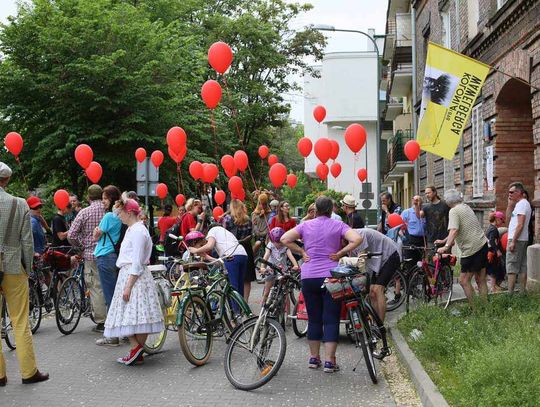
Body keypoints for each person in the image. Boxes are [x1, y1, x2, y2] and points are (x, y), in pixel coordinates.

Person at [281, 196, 361, 373]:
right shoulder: (338, 225)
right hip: (331, 277)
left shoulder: (305, 225)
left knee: (314, 317)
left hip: (308, 276)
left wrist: (302, 251)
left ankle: (313, 358)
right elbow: (357, 239)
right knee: (331, 318)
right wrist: (340, 253)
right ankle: (329, 361)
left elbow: (285, 238)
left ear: (315, 210)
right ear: (331, 211)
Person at [0, 162, 49, 385]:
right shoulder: (19, 204)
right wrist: (28, 268)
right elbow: (27, 242)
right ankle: (28, 372)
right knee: (20, 320)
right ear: (7, 180)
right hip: (12, 267)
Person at [104, 199, 164, 366]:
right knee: (134, 314)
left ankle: (136, 349)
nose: (118, 216)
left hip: (134, 276)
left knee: (134, 314)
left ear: (129, 212)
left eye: (120, 213)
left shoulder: (138, 231)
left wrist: (128, 285)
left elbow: (137, 261)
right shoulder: (134, 229)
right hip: (132, 274)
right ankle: (136, 349)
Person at [435, 189, 488, 305]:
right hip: (482, 244)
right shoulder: (465, 207)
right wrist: (444, 241)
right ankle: (485, 307)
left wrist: (446, 246)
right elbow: (459, 229)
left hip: (472, 249)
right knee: (481, 279)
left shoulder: (453, 211)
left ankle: (476, 309)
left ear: (448, 201)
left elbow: (454, 230)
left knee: (464, 280)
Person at [68, 184, 107, 332]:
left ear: (88, 197)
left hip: (91, 254)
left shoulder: (84, 212)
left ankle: (102, 321)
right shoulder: (108, 212)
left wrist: (81, 245)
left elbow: (71, 235)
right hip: (109, 253)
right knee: (109, 285)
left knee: (95, 287)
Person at [350, 227, 400, 328]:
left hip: (390, 256)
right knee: (371, 293)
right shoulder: (349, 241)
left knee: (378, 290)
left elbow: (361, 260)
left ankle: (380, 326)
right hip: (376, 261)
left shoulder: (360, 234)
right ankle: (374, 323)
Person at [93, 185, 123, 346]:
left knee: (109, 297)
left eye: (105, 198)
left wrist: (97, 231)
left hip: (104, 256)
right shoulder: (119, 216)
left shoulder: (109, 216)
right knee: (116, 295)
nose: (103, 201)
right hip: (113, 256)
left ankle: (112, 335)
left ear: (111, 199)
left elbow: (95, 235)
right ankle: (123, 332)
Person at [187, 224, 248, 297]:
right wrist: (206, 256)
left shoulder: (213, 230)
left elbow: (209, 246)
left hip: (231, 257)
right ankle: (241, 307)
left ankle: (235, 308)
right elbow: (219, 261)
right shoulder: (225, 234)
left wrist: (196, 250)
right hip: (242, 255)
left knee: (232, 288)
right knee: (239, 286)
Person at [222, 199, 256, 301]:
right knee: (247, 279)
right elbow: (251, 235)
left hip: (232, 249)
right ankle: (245, 302)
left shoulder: (227, 219)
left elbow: (224, 235)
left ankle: (236, 302)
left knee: (234, 278)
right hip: (246, 249)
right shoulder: (248, 220)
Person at [260, 227, 299, 304]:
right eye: (277, 242)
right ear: (272, 240)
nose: (280, 244)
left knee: (285, 294)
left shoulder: (285, 246)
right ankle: (263, 308)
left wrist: (295, 265)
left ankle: (287, 313)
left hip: (282, 271)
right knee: (266, 292)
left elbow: (290, 256)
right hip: (271, 270)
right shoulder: (270, 245)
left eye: (281, 242)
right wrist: (262, 267)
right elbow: (266, 256)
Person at [505, 182, 532, 293]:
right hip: (522, 238)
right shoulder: (521, 204)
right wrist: (509, 205)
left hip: (516, 239)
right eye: (508, 192)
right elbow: (509, 221)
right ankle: (521, 293)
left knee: (511, 267)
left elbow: (520, 224)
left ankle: (510, 294)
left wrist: (513, 241)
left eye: (512, 192)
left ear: (519, 192)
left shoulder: (522, 204)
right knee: (521, 267)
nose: (509, 194)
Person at [401, 195, 426, 264]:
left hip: (423, 239)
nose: (416, 201)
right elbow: (399, 225)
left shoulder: (425, 211)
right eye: (415, 200)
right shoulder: (407, 212)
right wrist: (403, 236)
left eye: (418, 200)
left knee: (421, 261)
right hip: (411, 239)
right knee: (410, 260)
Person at [485, 211, 505, 292]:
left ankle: (491, 286)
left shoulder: (490, 227)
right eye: (501, 221)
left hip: (490, 252)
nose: (502, 223)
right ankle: (493, 287)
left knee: (489, 270)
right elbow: (492, 241)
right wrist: (497, 251)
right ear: (497, 219)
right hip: (492, 252)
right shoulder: (493, 229)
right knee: (494, 270)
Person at [251, 193, 270, 258]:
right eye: (262, 204)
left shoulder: (269, 213)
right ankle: (252, 258)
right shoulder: (254, 213)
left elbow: (269, 225)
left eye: (265, 204)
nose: (263, 206)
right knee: (257, 245)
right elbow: (254, 225)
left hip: (267, 236)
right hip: (258, 235)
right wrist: (259, 216)